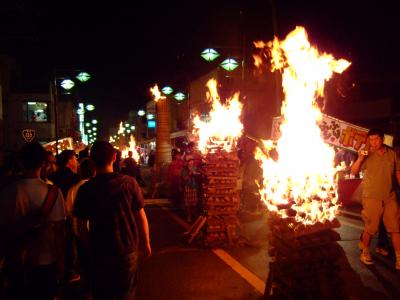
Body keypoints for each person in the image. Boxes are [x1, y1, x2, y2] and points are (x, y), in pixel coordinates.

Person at [73, 141, 151, 299]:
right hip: (126, 249)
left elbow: (80, 227)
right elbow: (141, 217)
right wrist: (146, 243)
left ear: (92, 160)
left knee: (102, 293)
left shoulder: (85, 189)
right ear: (114, 157)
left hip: (99, 251)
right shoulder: (129, 183)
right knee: (126, 293)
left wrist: (90, 246)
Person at [0, 142, 65, 300]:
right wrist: (62, 261)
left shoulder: (8, 191)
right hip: (46, 259)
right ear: (43, 164)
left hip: (16, 259)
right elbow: (59, 230)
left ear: (21, 162)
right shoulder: (54, 193)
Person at [351, 128, 400, 269]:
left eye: (376, 139)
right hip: (371, 197)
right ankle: (365, 251)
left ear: (382, 139)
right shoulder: (366, 154)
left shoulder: (392, 154)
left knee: (396, 228)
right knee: (370, 228)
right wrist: (360, 158)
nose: (373, 142)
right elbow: (354, 172)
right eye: (371, 140)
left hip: (389, 196)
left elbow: (397, 172)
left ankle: (398, 257)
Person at [49, 149, 81, 282]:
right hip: (68, 214)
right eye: (74, 158)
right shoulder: (74, 178)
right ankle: (70, 271)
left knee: (54, 243)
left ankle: (56, 271)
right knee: (70, 242)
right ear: (69, 161)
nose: (76, 161)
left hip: (52, 214)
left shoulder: (52, 177)